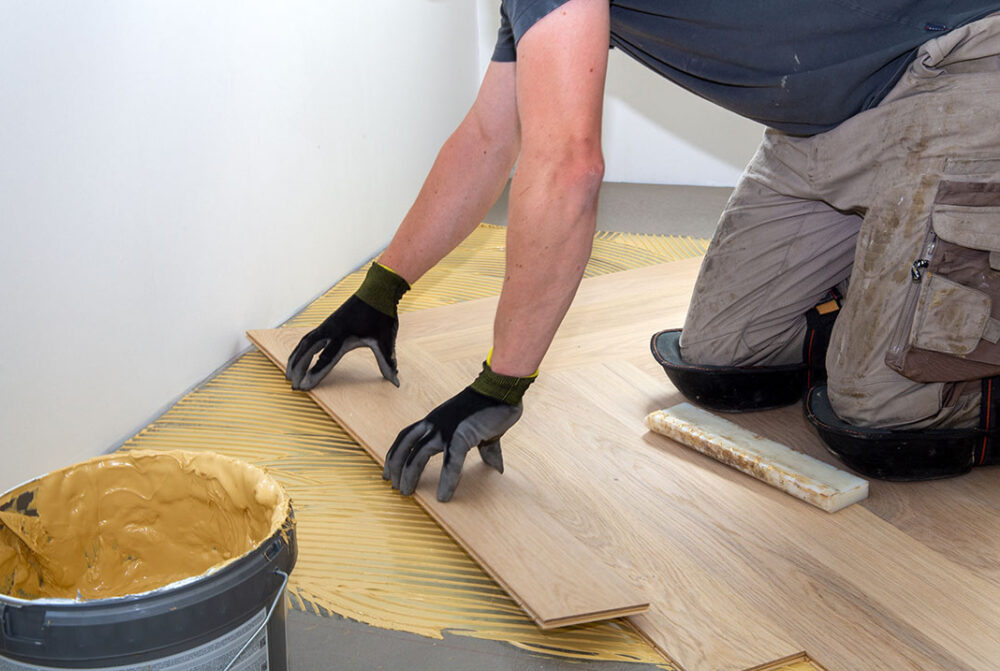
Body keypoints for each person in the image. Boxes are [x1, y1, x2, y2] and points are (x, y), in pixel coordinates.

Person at [286, 0, 1000, 501]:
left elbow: (568, 167)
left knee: (882, 421)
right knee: (722, 362)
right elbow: (489, 139)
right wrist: (380, 292)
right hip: (827, 125)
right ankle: (905, 281)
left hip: (963, 69)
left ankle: (943, 314)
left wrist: (499, 384)